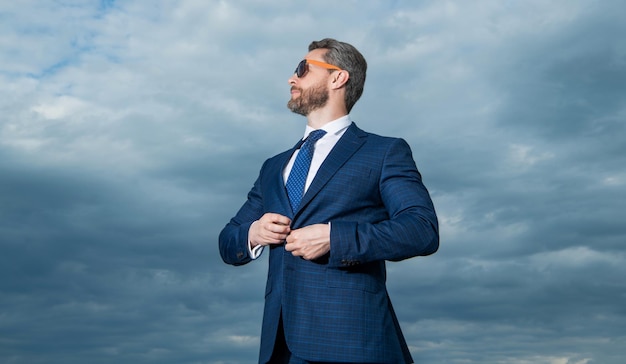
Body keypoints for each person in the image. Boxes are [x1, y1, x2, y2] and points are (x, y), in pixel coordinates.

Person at [219, 38, 439, 364]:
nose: (292, 79)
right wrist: (254, 232)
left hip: (352, 343)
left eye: (302, 69)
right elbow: (228, 241)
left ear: (338, 78)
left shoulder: (383, 152)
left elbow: (421, 229)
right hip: (279, 347)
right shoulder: (273, 167)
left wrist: (335, 238)